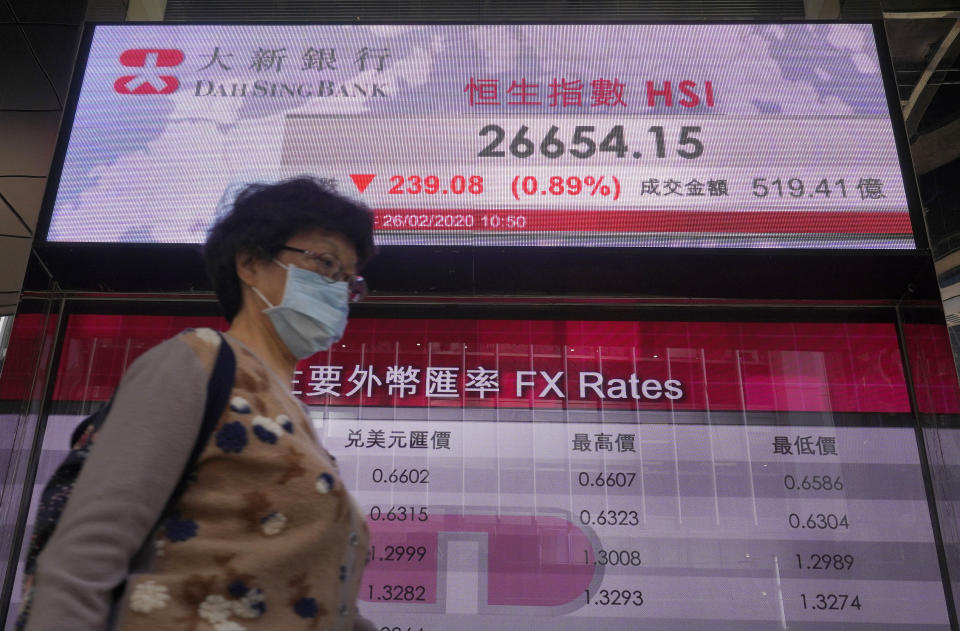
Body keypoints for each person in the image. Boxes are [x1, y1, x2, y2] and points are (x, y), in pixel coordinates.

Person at [24, 177, 378, 631]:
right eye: (326, 263)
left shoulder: (296, 422)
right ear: (250, 264)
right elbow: (85, 556)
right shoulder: (199, 362)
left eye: (349, 281)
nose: (337, 291)